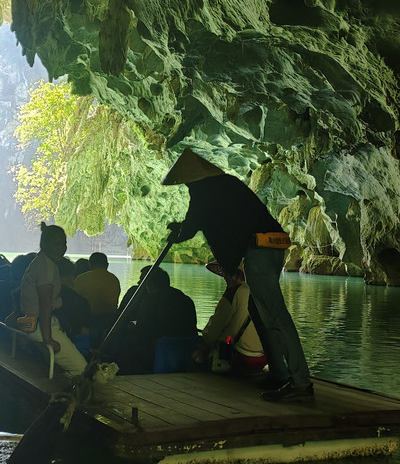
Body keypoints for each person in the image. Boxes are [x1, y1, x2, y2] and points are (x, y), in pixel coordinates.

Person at [163, 148, 313, 401]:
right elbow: (205, 222)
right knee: (258, 310)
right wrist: (182, 229)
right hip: (268, 249)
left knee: (275, 314)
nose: (187, 185)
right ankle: (280, 374)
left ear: (191, 177)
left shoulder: (203, 191)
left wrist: (179, 232)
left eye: (186, 181)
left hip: (260, 251)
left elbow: (194, 223)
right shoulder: (225, 184)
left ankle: (301, 384)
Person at [19, 223, 87, 377]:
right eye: (56, 244)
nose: (62, 248)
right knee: (82, 369)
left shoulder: (40, 262)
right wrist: (48, 339)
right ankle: (70, 391)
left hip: (31, 324)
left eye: (64, 244)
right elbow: (45, 305)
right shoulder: (46, 268)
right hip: (41, 326)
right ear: (44, 244)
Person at [115, 266, 198, 373]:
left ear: (149, 284)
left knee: (127, 342)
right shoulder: (184, 298)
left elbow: (141, 327)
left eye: (141, 280)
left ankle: (125, 373)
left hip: (160, 346)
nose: (138, 283)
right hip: (187, 346)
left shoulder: (151, 300)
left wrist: (131, 324)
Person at [195, 261, 267, 374]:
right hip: (265, 357)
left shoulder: (232, 293)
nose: (225, 278)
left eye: (226, 274)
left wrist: (204, 342)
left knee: (202, 344)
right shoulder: (263, 292)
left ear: (233, 275)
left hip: (240, 355)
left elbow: (212, 332)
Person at [74, 252, 121, 346]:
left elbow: (74, 303)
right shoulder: (114, 279)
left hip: (88, 322)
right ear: (107, 265)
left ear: (90, 264)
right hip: (110, 321)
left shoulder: (81, 279)